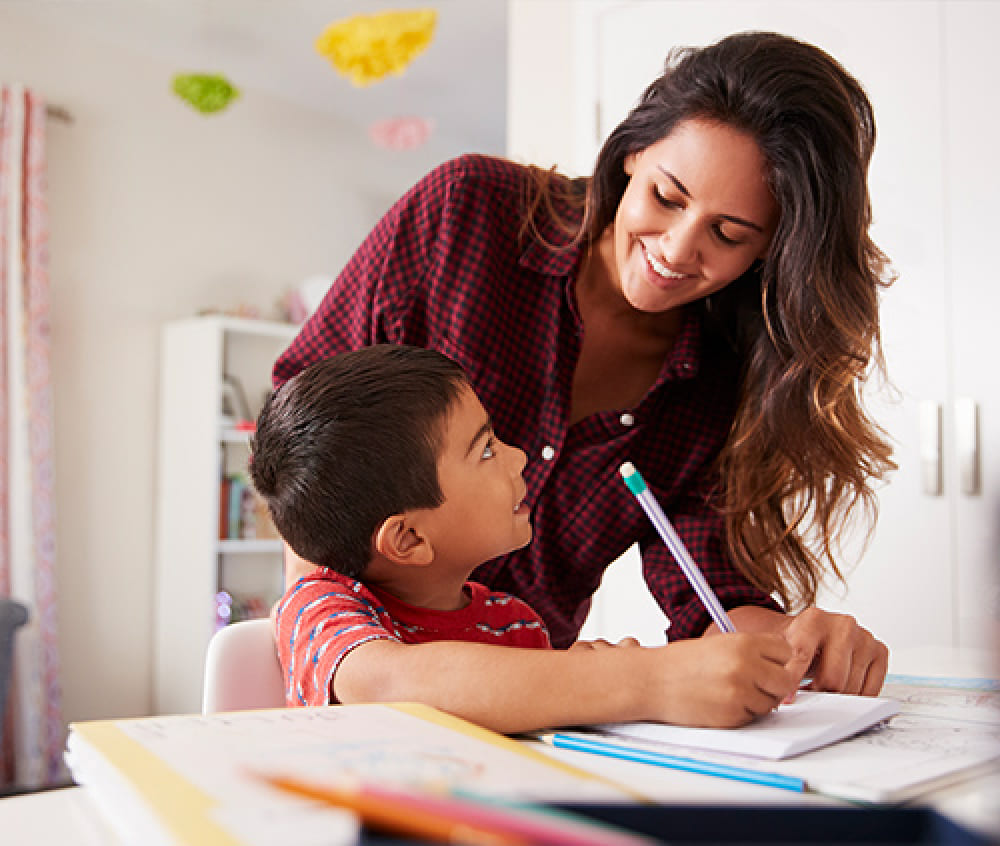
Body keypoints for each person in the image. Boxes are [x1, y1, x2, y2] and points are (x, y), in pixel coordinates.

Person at [273, 31, 893, 697]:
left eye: (729, 234)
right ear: (631, 153)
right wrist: (321, 641)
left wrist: (793, 645)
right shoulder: (466, 214)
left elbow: (710, 595)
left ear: (771, 250)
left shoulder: (723, 376)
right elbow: (310, 429)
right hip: (367, 684)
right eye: (667, 196)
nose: (679, 250)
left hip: (533, 707)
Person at [251, 344, 801, 733]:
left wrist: (583, 682)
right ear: (410, 538)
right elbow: (390, 681)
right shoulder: (321, 606)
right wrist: (644, 680)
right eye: (485, 450)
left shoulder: (514, 624)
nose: (518, 458)